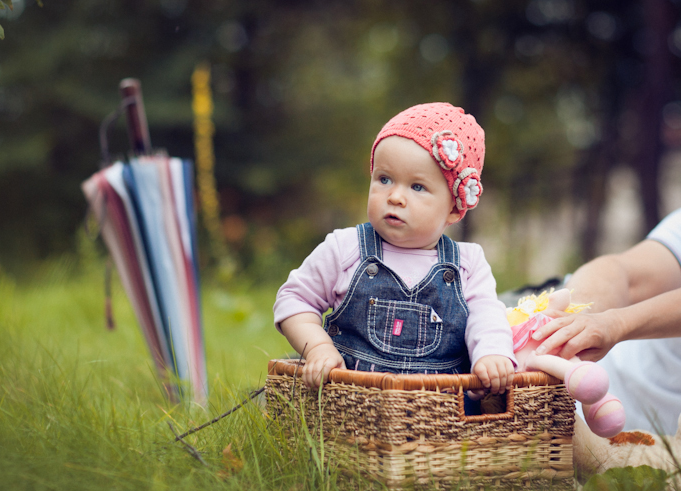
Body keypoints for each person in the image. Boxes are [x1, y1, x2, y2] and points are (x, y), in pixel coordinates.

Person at [273, 103, 516, 391]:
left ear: (453, 209)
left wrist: (491, 353)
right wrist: (318, 347)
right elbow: (294, 300)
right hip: (350, 402)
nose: (396, 197)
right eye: (384, 179)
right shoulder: (346, 247)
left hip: (440, 412)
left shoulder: (467, 263)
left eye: (417, 187)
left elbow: (487, 315)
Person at [532, 208, 681, 433]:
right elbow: (622, 273)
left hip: (622, 429)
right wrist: (576, 318)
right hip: (579, 386)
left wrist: (616, 324)